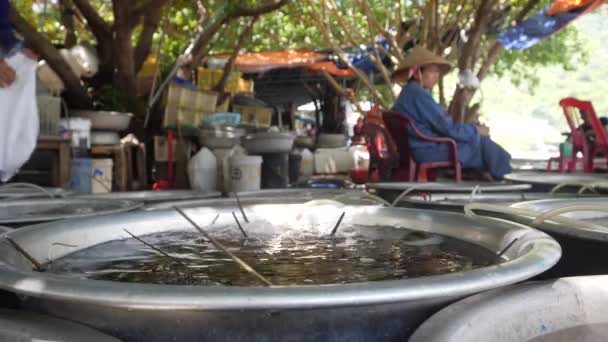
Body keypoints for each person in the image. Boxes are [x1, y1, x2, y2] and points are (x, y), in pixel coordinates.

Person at [391, 46, 512, 180]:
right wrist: (476, 130)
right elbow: (449, 129)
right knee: (482, 143)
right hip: (427, 150)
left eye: (438, 72)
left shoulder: (410, 92)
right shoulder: (418, 95)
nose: (437, 76)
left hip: (418, 148)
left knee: (480, 143)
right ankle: (510, 178)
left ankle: (492, 176)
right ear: (417, 73)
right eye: (432, 71)